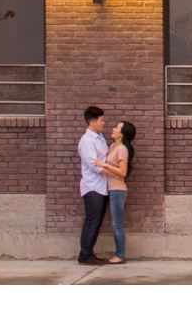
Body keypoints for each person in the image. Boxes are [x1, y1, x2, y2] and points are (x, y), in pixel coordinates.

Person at [93, 121, 136, 264]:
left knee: (117, 224)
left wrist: (105, 165)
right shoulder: (112, 146)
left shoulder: (122, 149)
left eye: (117, 127)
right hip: (110, 189)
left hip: (118, 190)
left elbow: (123, 173)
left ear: (122, 133)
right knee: (114, 224)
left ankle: (120, 255)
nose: (113, 128)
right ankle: (119, 254)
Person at [77, 105, 109, 265]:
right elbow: (94, 166)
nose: (104, 123)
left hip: (102, 187)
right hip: (93, 187)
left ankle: (89, 252)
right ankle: (85, 254)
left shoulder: (100, 137)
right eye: (101, 120)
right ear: (92, 122)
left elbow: (104, 160)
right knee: (92, 220)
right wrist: (115, 171)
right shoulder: (87, 141)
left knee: (97, 221)